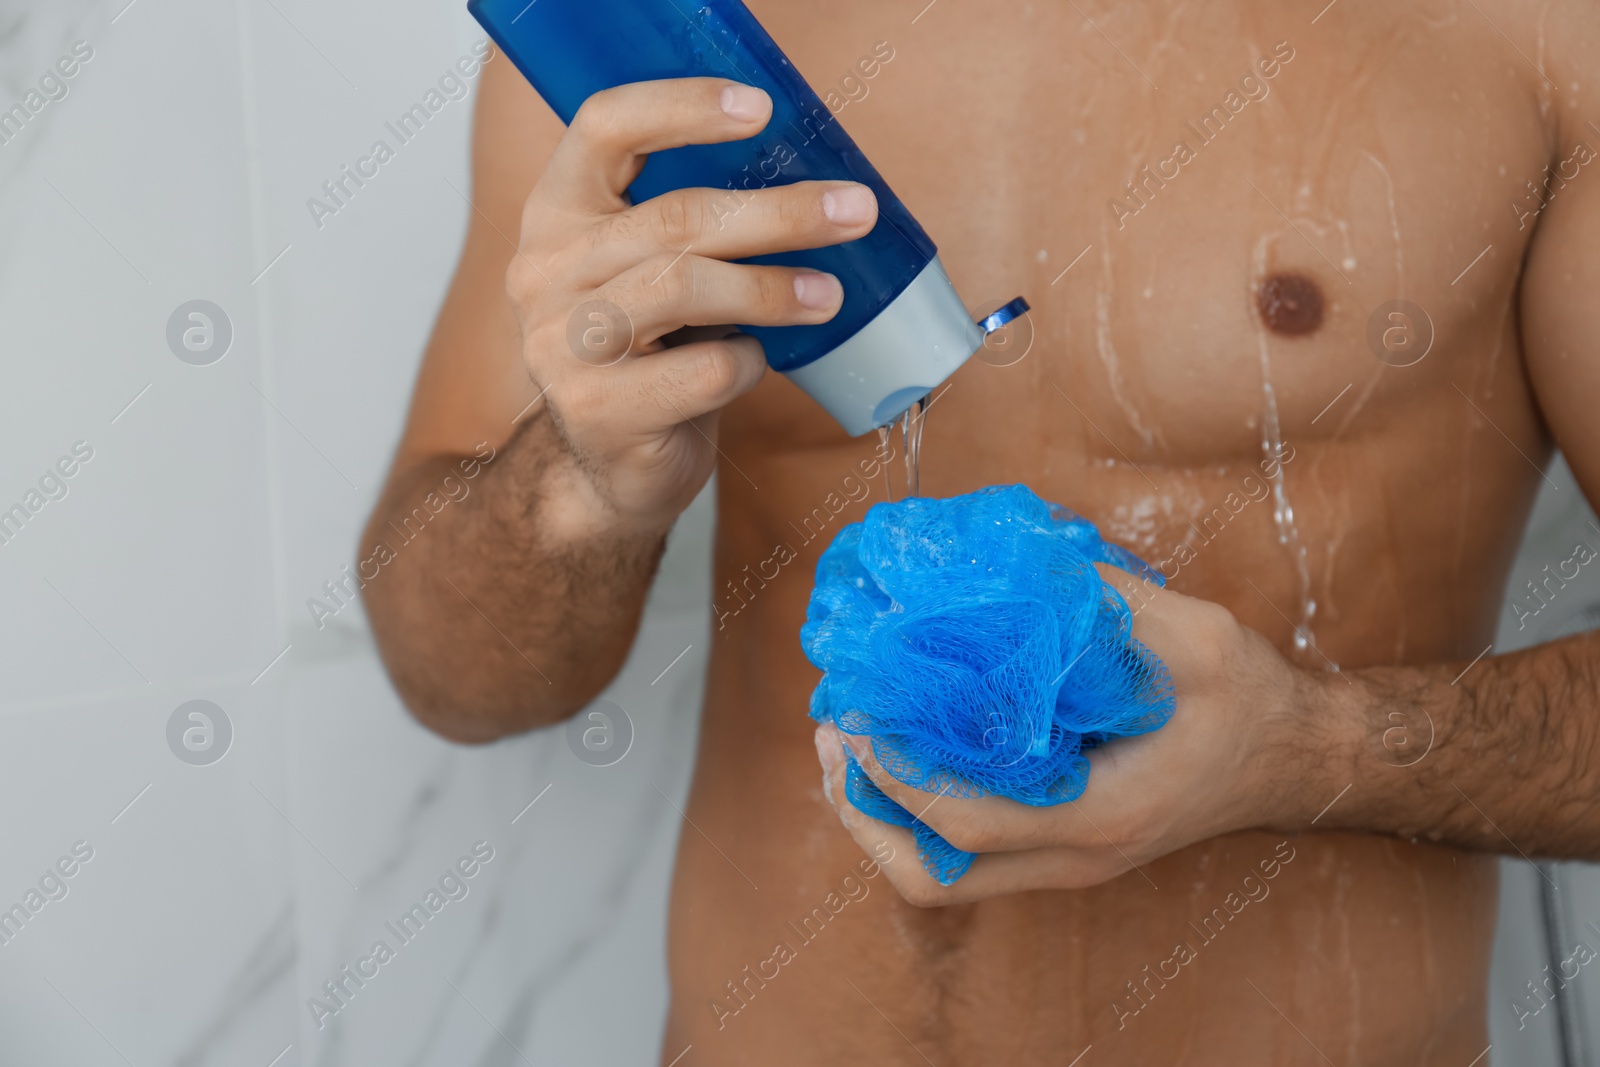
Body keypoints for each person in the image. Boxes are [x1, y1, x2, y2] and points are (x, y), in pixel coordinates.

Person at [362, 1, 1600, 1062]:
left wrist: (1307, 747)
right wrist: (578, 480)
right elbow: (458, 681)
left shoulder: (1526, 36)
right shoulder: (651, 43)